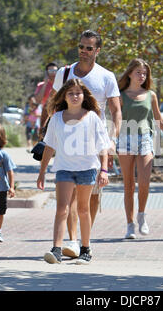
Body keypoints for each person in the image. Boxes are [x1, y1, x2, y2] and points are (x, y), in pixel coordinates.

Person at [44, 30, 121, 258]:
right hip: (68, 140)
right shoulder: (64, 72)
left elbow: (116, 110)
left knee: (91, 196)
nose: (84, 51)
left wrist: (113, 140)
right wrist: (50, 129)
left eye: (89, 48)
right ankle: (73, 240)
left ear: (97, 50)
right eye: (81, 46)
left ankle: (84, 239)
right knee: (69, 196)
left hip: (95, 140)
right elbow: (54, 103)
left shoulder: (106, 76)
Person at [37, 79, 110, 265]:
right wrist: (42, 172)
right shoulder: (56, 118)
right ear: (64, 96)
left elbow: (103, 146)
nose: (75, 96)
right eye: (71, 93)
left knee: (83, 209)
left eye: (78, 93)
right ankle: (56, 249)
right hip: (64, 168)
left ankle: (85, 249)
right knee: (62, 209)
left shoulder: (92, 117)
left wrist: (104, 170)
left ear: (84, 95)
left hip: (87, 169)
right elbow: (49, 146)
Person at [117, 58, 163, 239]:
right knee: (128, 185)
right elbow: (115, 120)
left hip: (144, 139)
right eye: (138, 72)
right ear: (130, 74)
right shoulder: (120, 95)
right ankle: (129, 225)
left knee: (144, 182)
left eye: (144, 73)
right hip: (124, 139)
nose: (142, 76)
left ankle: (141, 215)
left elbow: (159, 119)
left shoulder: (150, 95)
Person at [34, 62, 58, 129]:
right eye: (50, 71)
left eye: (55, 71)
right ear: (47, 73)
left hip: (60, 116)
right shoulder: (41, 85)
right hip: (46, 116)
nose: (53, 73)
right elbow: (38, 100)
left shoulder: (62, 84)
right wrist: (45, 84)